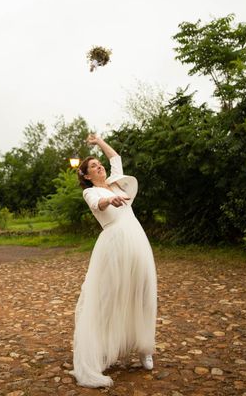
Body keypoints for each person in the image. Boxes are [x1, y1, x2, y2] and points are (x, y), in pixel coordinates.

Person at [70, 134, 157, 388]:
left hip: (137, 241)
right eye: (94, 166)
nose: (100, 166)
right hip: (114, 246)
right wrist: (110, 199)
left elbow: (115, 157)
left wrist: (98, 141)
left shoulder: (116, 183)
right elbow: (100, 202)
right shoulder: (91, 192)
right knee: (111, 296)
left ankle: (144, 347)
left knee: (142, 291)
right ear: (86, 175)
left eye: (99, 163)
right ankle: (101, 350)